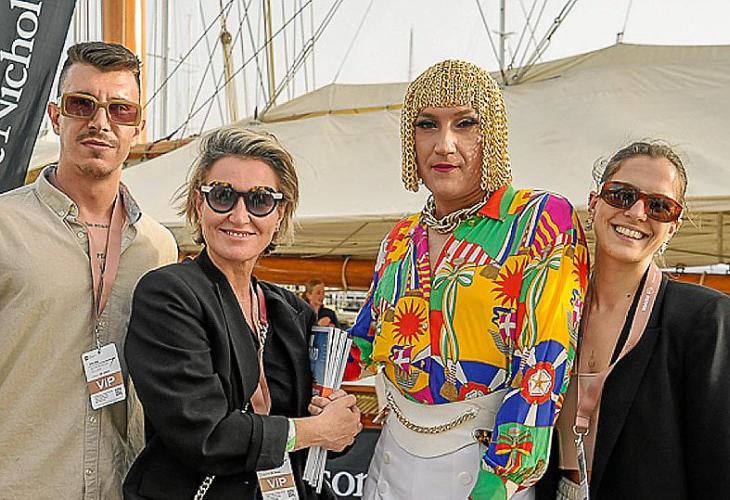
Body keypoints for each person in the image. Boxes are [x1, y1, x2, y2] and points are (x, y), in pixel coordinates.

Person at [340, 60, 589, 499]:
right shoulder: (399, 238)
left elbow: (544, 363)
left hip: (483, 472)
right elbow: (363, 342)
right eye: (427, 125)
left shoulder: (539, 220)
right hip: (389, 463)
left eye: (465, 123)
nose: (444, 144)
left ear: (492, 134)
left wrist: (501, 480)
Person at [122, 126, 362, 499]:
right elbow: (205, 434)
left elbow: (319, 432)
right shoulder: (169, 295)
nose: (239, 215)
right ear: (199, 204)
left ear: (280, 214)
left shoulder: (292, 313)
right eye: (222, 196)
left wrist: (340, 419)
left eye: (260, 200)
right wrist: (315, 430)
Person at [0, 42, 178, 499]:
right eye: (83, 104)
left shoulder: (158, 247)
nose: (101, 122)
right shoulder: (4, 227)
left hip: (122, 488)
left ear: (138, 126)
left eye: (120, 109)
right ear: (56, 116)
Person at [535, 141, 730, 500]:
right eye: (622, 195)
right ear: (595, 202)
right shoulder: (546, 308)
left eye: (660, 206)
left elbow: (718, 465)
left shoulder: (703, 318)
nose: (637, 213)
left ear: (673, 226)